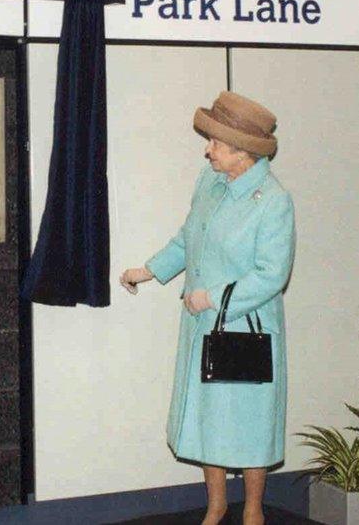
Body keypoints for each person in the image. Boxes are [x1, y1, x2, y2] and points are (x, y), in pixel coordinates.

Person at [121, 91, 295, 525]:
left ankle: (253, 509)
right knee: (207, 418)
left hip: (247, 326)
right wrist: (149, 270)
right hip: (203, 325)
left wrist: (214, 297)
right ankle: (216, 506)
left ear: (245, 151)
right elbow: (188, 237)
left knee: (251, 423)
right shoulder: (210, 182)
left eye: (216, 143)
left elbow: (272, 274)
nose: (208, 150)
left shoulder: (274, 201)